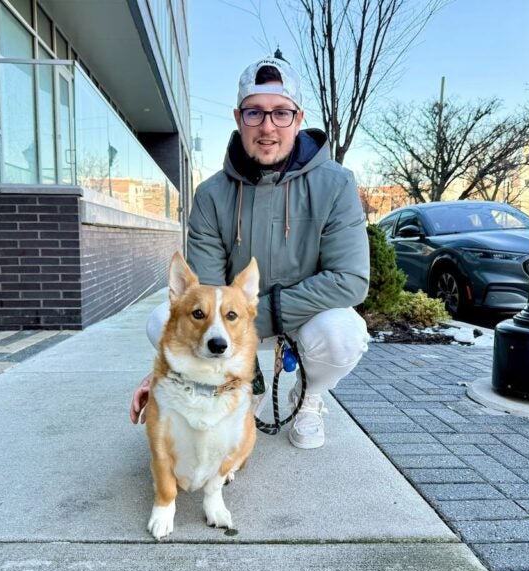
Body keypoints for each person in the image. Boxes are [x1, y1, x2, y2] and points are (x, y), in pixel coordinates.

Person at [130, 53, 370, 449]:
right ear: (239, 118)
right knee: (161, 320)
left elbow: (350, 280)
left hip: (301, 316)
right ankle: (246, 384)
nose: (268, 127)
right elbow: (205, 290)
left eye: (281, 113)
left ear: (298, 117)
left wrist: (266, 315)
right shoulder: (210, 194)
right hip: (233, 322)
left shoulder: (337, 184)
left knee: (342, 332)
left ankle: (310, 396)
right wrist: (163, 373)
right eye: (255, 113)